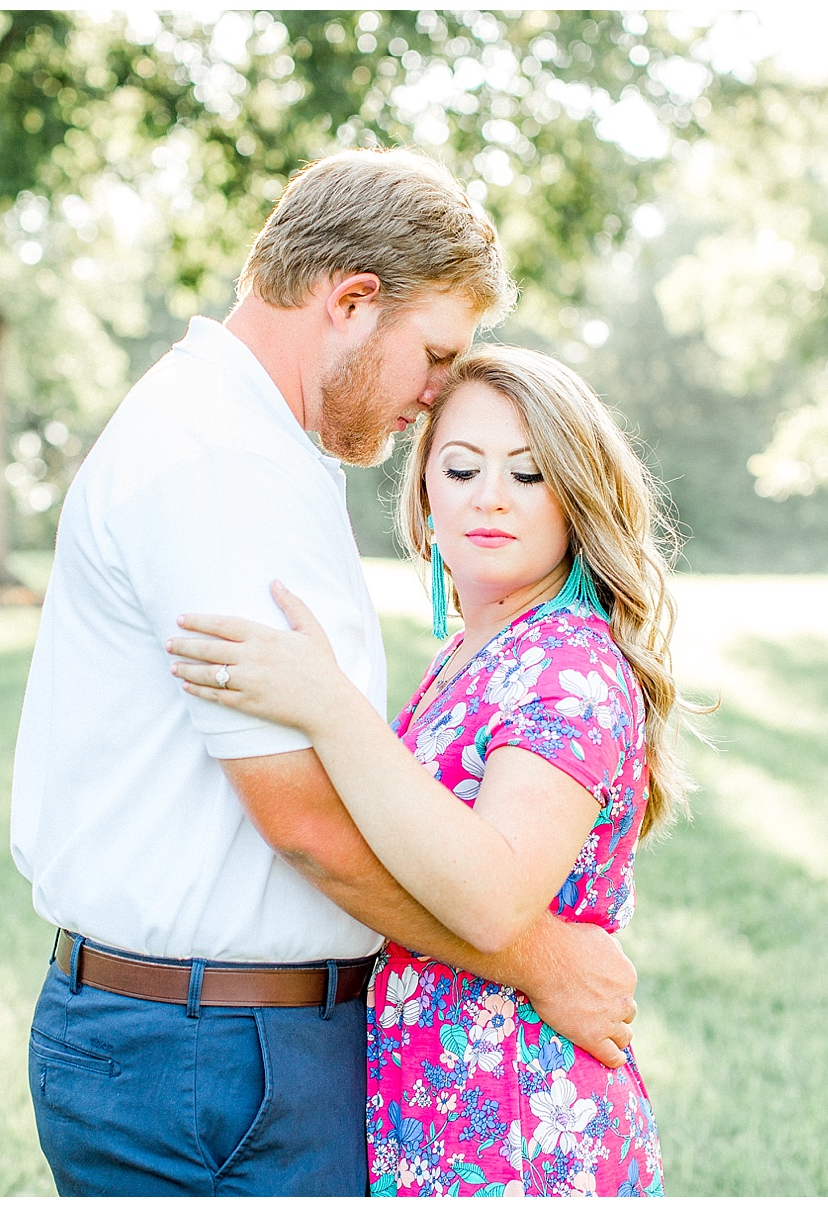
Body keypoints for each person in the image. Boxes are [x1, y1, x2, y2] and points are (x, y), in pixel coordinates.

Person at [10, 150, 641, 1197]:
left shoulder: (251, 443)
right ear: (351, 303)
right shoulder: (220, 462)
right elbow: (306, 819)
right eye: (435, 353)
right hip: (212, 1055)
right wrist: (538, 961)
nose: (438, 396)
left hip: (233, 1045)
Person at [170, 345, 693, 1196]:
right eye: (461, 467)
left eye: (528, 474)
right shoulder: (474, 650)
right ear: (424, 489)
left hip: (523, 1119)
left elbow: (492, 898)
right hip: (438, 1103)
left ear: (577, 495)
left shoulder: (567, 666)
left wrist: (327, 703)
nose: (489, 496)